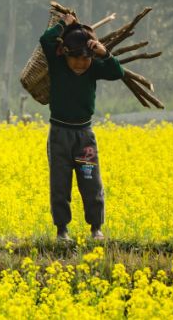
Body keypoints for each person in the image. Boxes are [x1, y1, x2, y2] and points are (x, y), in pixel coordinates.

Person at [39, 13, 124, 242]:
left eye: (85, 58)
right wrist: (64, 23)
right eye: (75, 58)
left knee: (91, 182)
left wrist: (104, 53)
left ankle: (96, 228)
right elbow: (46, 40)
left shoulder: (94, 67)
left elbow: (118, 72)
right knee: (60, 183)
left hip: (84, 137)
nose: (80, 63)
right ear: (64, 53)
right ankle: (62, 230)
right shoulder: (57, 64)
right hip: (59, 135)